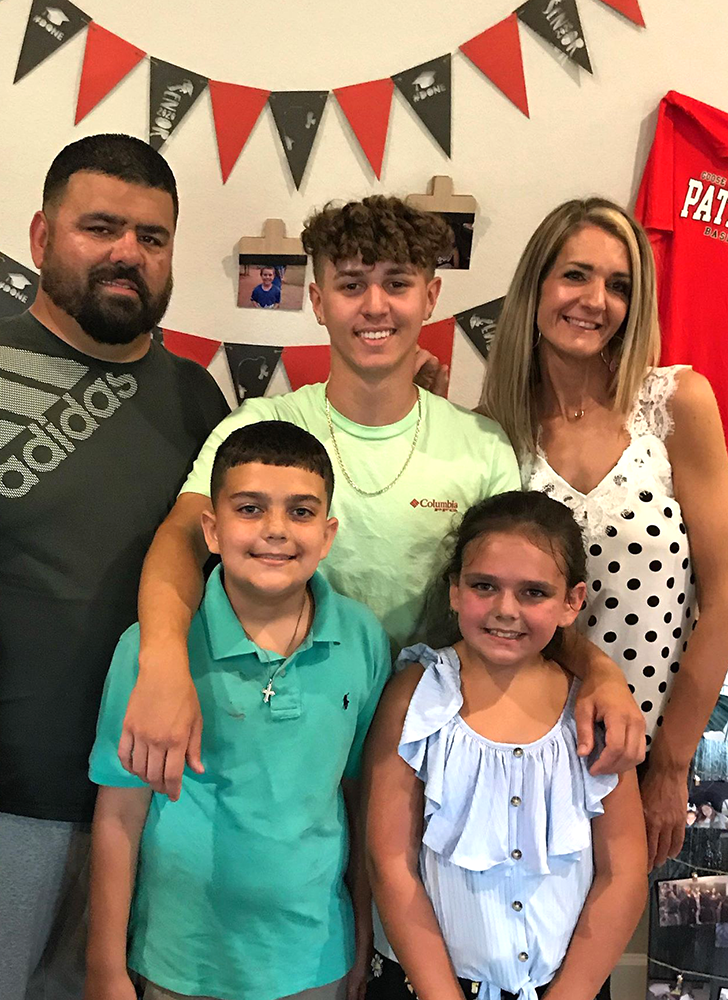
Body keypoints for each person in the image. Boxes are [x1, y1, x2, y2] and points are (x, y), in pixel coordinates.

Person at [121, 193, 646, 804]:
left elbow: (518, 595)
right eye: (350, 285)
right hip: (287, 739)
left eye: (397, 283)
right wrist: (160, 662)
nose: (375, 306)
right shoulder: (261, 429)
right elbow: (182, 541)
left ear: (430, 297)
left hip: (437, 745)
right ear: (317, 302)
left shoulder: (479, 446)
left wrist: (599, 669)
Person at [0, 134, 228, 1000]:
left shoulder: (202, 400)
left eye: (152, 237)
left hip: (154, 804)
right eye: (100, 227)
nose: (128, 252)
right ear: (42, 239)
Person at [86, 421, 389, 1000]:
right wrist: (105, 965)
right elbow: (119, 814)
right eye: (250, 509)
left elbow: (359, 796)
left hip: (316, 956)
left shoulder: (362, 638)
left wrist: (363, 932)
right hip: (181, 960)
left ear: (327, 536)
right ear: (212, 530)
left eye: (301, 513)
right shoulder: (152, 650)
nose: (276, 530)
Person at [480, 198, 728, 871]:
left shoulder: (676, 404)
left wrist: (672, 763)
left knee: (658, 962)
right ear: (537, 285)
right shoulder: (495, 427)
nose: (596, 300)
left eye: (619, 285)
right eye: (576, 276)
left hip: (662, 752)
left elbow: (725, 595)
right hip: (530, 751)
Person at [364, 491, 648, 1000]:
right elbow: (391, 864)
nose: (505, 610)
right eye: (484, 586)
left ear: (572, 602)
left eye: (534, 592)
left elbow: (623, 872)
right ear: (454, 590)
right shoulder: (416, 699)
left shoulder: (591, 712)